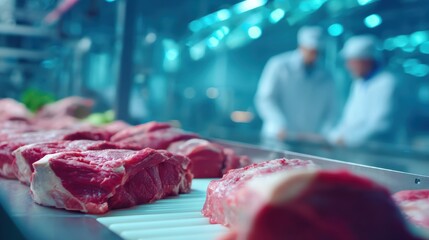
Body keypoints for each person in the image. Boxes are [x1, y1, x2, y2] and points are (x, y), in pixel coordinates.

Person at [255, 26, 336, 141]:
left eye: (317, 52)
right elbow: (265, 99)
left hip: (310, 141)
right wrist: (279, 124)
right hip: (279, 136)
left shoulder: (327, 75)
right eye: (310, 51)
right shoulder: (278, 65)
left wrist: (326, 133)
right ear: (301, 47)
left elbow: (331, 109)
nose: (314, 56)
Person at [328, 35, 397, 147]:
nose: (348, 66)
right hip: (355, 151)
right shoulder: (358, 83)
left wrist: (346, 140)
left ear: (366, 61)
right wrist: (333, 136)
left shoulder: (386, 82)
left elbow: (380, 125)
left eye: (352, 62)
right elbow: (348, 119)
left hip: (377, 152)